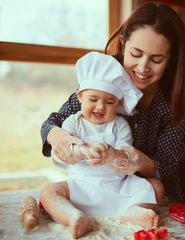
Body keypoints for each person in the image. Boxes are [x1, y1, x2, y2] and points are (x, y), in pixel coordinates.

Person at [41, 0, 185, 235]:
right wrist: (57, 136)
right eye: (135, 54)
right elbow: (53, 123)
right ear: (122, 43)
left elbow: (168, 166)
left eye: (156, 60)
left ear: (170, 60)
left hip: (155, 188)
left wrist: (142, 163)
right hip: (95, 186)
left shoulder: (179, 98)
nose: (143, 67)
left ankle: (134, 211)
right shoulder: (102, 79)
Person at [40, 51, 164, 239]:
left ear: (118, 103)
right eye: (93, 100)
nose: (100, 107)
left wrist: (112, 154)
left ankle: (131, 212)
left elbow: (126, 154)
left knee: (156, 187)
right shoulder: (73, 122)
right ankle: (75, 216)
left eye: (109, 102)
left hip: (117, 189)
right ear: (80, 97)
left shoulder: (120, 125)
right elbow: (67, 147)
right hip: (80, 188)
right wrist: (84, 149)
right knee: (49, 192)